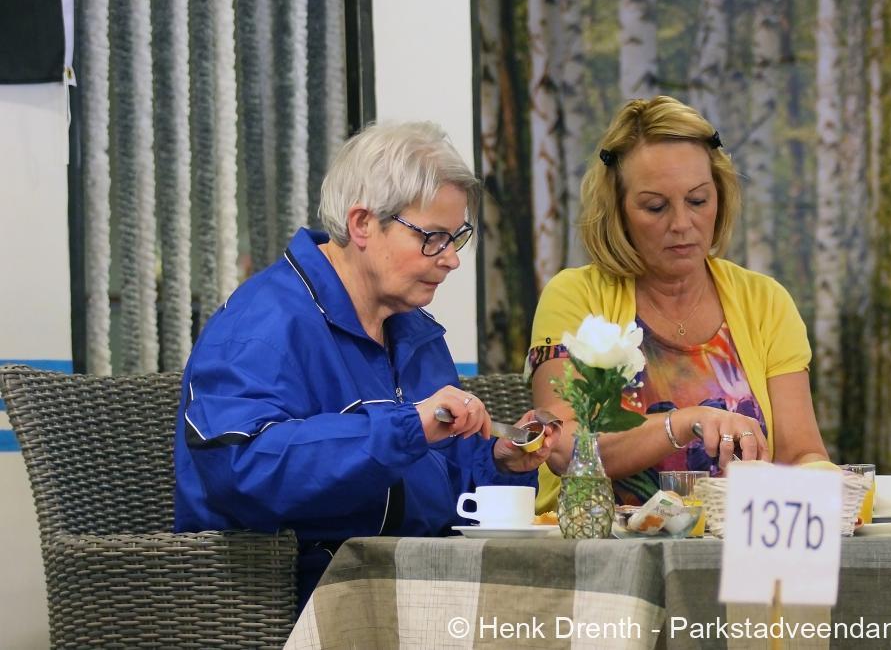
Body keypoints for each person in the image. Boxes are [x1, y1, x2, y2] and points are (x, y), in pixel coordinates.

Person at [175, 121, 558, 605]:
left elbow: (445, 485)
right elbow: (241, 468)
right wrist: (404, 428)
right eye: (433, 237)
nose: (451, 260)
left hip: (412, 584)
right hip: (291, 595)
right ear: (362, 224)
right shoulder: (263, 322)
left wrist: (500, 461)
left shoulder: (412, 330)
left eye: (456, 238)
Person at [528, 96, 828, 510]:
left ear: (720, 197)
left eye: (698, 201)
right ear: (617, 211)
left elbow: (799, 455)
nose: (682, 224)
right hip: (600, 542)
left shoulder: (766, 301)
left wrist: (829, 481)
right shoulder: (576, 296)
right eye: (655, 207)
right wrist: (682, 422)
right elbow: (563, 446)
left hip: (736, 541)